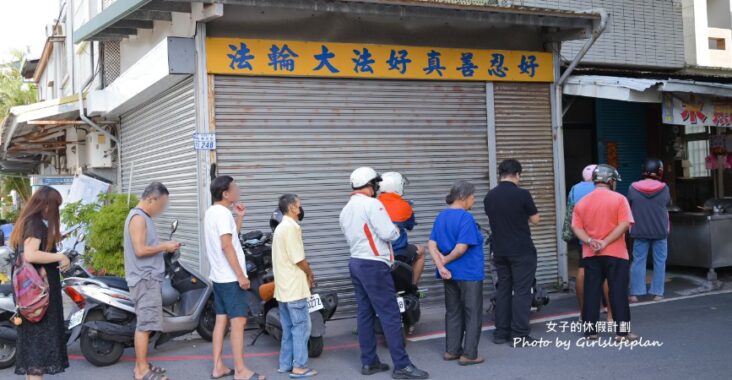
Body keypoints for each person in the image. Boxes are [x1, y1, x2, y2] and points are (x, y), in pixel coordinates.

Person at [340, 167, 429, 380]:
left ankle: (369, 362)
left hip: (356, 262)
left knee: (365, 314)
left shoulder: (346, 209)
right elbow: (388, 232)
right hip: (374, 265)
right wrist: (396, 230)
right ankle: (402, 366)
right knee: (389, 314)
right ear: (371, 185)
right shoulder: (372, 204)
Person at [204, 176, 265, 380]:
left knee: (221, 321)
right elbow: (227, 246)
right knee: (238, 322)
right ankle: (240, 371)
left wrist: (239, 217)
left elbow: (231, 238)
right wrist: (241, 275)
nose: (237, 190)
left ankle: (218, 367)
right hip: (230, 278)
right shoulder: (222, 214)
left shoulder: (212, 212)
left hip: (219, 277)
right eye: (234, 187)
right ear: (225, 193)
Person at [572, 164, 638, 341]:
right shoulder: (619, 199)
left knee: (591, 291)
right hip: (616, 253)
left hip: (591, 254)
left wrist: (590, 241)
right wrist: (605, 242)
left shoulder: (582, 202)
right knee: (618, 292)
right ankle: (622, 333)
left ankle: (590, 331)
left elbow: (576, 228)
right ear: (610, 180)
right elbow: (624, 224)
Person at [11, 186, 70, 378]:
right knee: (38, 353)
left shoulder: (31, 221)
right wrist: (59, 256)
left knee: (35, 352)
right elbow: (31, 254)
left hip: (34, 294)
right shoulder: (35, 223)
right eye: (56, 205)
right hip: (39, 295)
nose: (57, 210)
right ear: (46, 205)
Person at [124, 182, 180, 380]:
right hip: (144, 279)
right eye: (161, 204)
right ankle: (141, 371)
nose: (161, 209)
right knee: (145, 326)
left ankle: (143, 364)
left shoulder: (142, 217)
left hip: (147, 278)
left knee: (146, 324)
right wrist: (164, 246)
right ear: (150, 199)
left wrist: (165, 246)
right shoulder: (138, 218)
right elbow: (140, 250)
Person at [483, 159, 541, 347]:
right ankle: (520, 335)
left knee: (503, 290)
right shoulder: (522, 194)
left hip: (499, 250)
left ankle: (501, 333)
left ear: (500, 174)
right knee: (522, 292)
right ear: (517, 174)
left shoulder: (489, 196)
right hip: (522, 250)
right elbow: (536, 220)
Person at [428, 180, 484, 366]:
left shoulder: (441, 216)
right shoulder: (465, 218)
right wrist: (445, 260)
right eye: (472, 196)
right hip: (469, 273)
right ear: (462, 197)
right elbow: (461, 248)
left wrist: (441, 265)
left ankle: (451, 350)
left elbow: (431, 244)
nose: (473, 200)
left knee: (453, 311)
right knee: (472, 312)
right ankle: (469, 354)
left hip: (449, 274)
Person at [271, 194, 317, 378]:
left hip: (283, 288)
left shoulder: (281, 228)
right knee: (301, 327)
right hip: (294, 287)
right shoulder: (292, 228)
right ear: (291, 208)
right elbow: (299, 259)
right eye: (299, 205)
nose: (300, 209)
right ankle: (299, 366)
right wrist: (309, 272)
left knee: (289, 328)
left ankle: (285, 363)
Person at [568, 165, 613, 321]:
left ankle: (583, 313)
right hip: (606, 237)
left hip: (585, 237)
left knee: (583, 270)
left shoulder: (575, 189)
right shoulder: (604, 190)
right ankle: (610, 313)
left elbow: (570, 213)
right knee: (608, 273)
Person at [628, 159, 671, 302]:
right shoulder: (664, 188)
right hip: (660, 231)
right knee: (660, 261)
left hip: (639, 230)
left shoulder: (633, 188)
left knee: (638, 261)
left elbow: (629, 205)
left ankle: (635, 294)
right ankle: (658, 293)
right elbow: (667, 203)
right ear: (660, 171)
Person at [377, 172, 425, 289]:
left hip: (377, 254)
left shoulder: (373, 203)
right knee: (421, 251)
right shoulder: (404, 205)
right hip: (398, 252)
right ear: (396, 186)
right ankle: (412, 285)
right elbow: (410, 226)